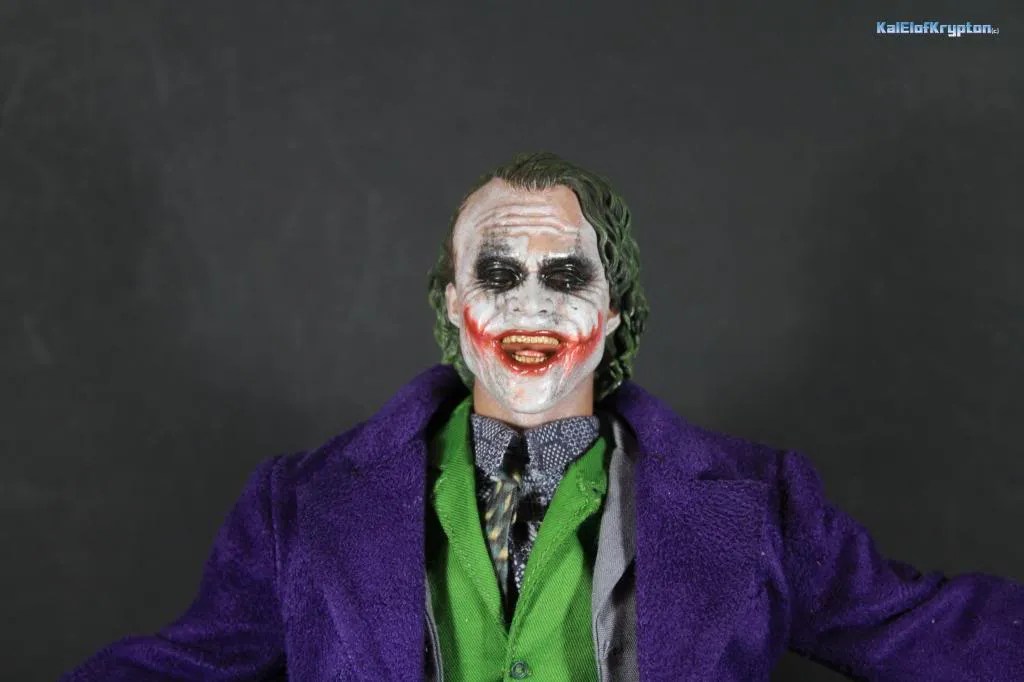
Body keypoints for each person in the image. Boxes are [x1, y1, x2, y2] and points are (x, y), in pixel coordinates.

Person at [63, 153, 1024, 681]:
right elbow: (184, 665)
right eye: (498, 273)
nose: (530, 306)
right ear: (452, 304)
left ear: (615, 311)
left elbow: (929, 631)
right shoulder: (301, 505)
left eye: (566, 276)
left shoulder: (760, 504)